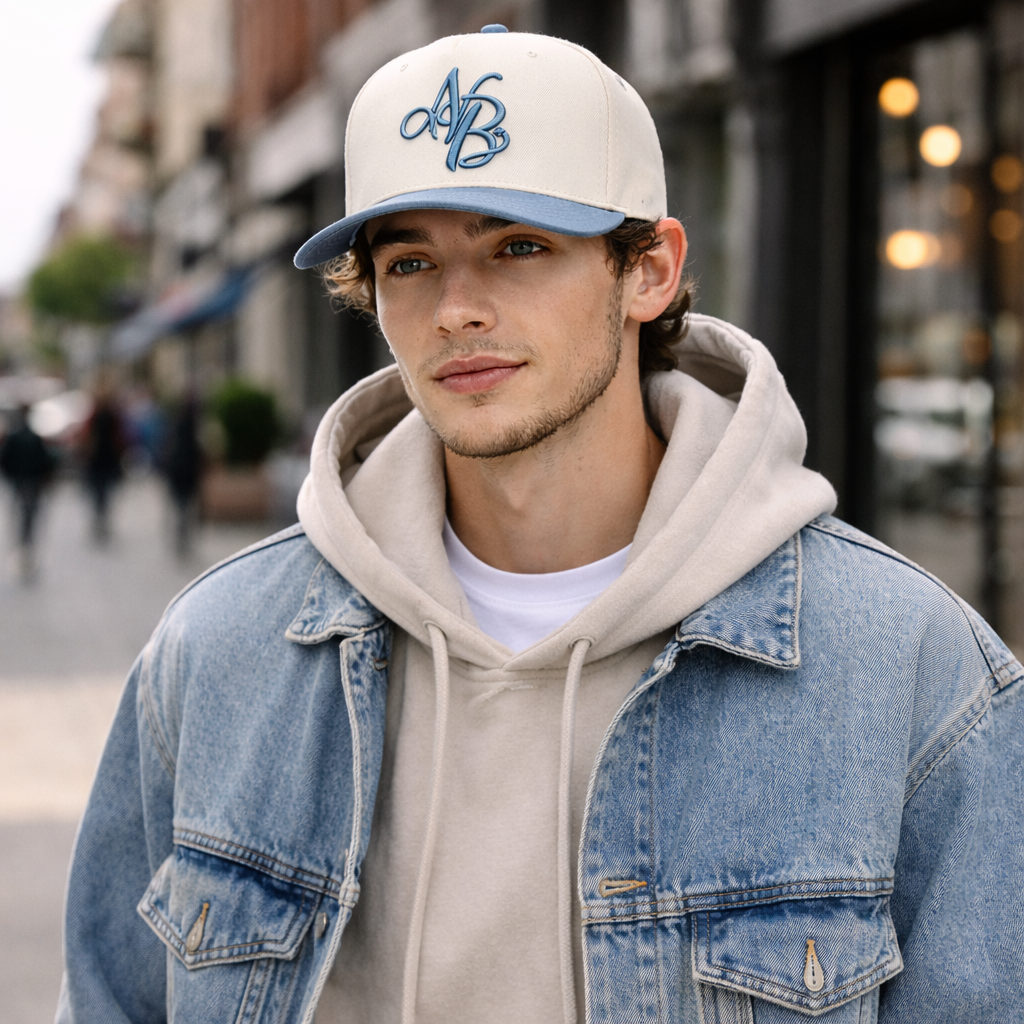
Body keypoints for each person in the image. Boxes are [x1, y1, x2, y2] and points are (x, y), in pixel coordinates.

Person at [59, 27, 1024, 1024]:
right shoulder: (219, 652)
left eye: (519, 247)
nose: (456, 310)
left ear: (649, 270)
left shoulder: (906, 666)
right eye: (409, 262)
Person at [0, 403, 54, 580]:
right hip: (32, 483)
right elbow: (45, 462)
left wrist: (12, 476)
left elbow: (5, 460)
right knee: (29, 515)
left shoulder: (14, 437)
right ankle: (26, 544)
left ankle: (23, 545)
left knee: (21, 515)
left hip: (20, 483)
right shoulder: (34, 437)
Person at [82, 391, 125, 543]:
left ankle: (101, 519)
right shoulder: (99, 417)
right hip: (100, 462)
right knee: (100, 494)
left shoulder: (109, 417)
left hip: (104, 462)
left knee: (102, 494)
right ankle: (100, 519)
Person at [161, 399, 202, 557]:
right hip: (186, 476)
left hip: (178, 476)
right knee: (184, 509)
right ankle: (183, 536)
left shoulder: (176, 429)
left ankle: (180, 536)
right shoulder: (192, 432)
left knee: (180, 508)